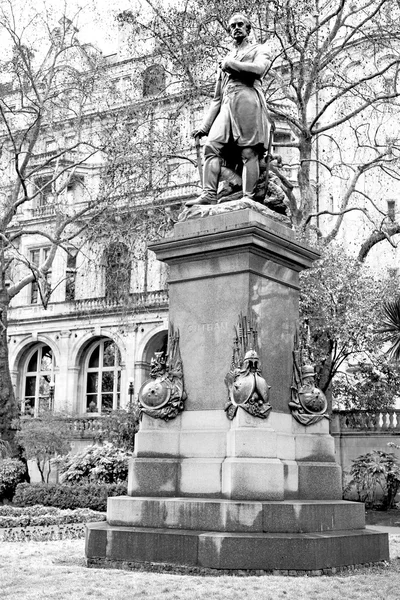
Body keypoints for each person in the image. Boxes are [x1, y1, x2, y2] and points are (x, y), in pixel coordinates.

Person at [186, 13, 271, 207]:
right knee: (211, 147)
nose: (236, 28)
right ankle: (209, 194)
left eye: (240, 25)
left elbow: (259, 70)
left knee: (249, 151)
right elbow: (217, 98)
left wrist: (230, 65)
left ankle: (249, 198)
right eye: (232, 26)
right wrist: (205, 127)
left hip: (247, 100)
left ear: (248, 29)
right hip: (226, 104)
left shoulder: (260, 49)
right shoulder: (225, 59)